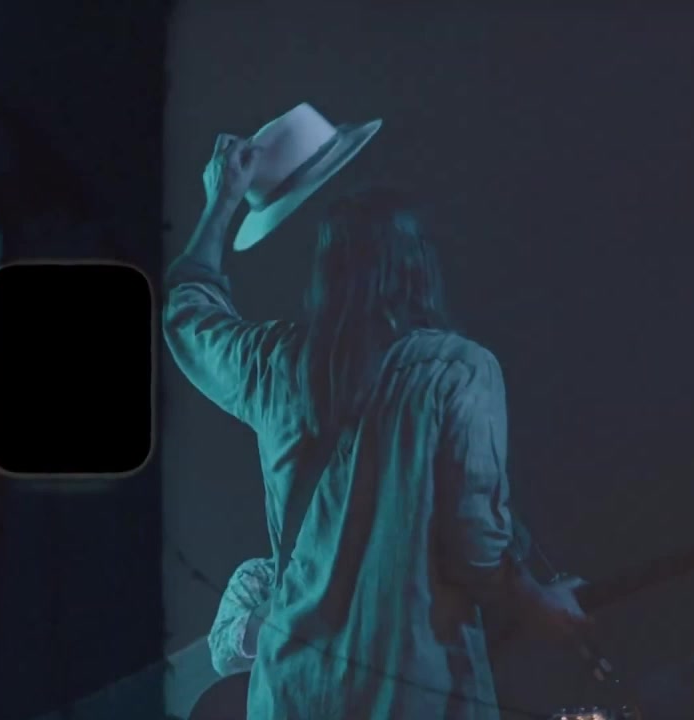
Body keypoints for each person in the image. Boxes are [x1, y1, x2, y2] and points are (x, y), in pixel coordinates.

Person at [164, 126, 587, 719]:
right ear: (421, 265)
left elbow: (186, 313)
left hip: (292, 700)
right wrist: (539, 602)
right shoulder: (457, 370)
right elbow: (477, 550)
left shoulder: (276, 365)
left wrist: (222, 200)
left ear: (324, 271)